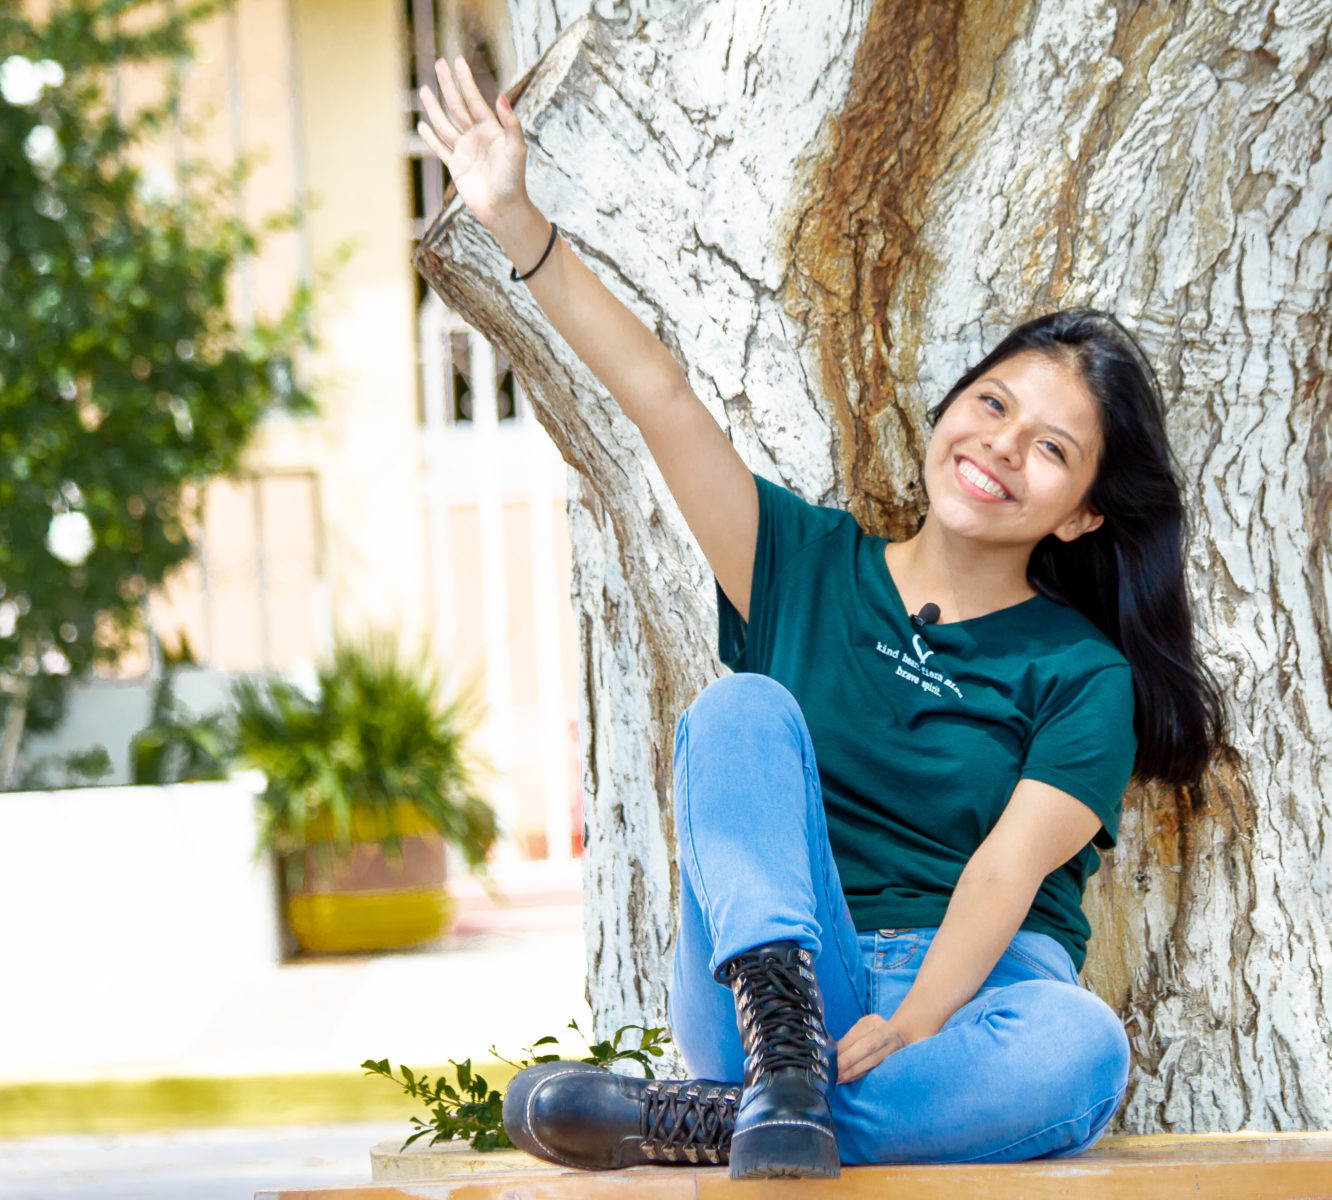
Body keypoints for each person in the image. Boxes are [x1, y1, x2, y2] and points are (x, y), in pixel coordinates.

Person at [415, 55, 1225, 1180]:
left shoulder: (1079, 673)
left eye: (1050, 447)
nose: (1000, 446)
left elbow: (999, 876)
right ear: (950, 407)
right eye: (992, 403)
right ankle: (772, 1080)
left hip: (968, 1005)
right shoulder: (800, 563)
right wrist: (513, 217)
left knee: (1081, 1050)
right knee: (740, 707)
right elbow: (660, 399)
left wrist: (913, 1021)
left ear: (1085, 515)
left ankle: (710, 1120)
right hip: (775, 988)